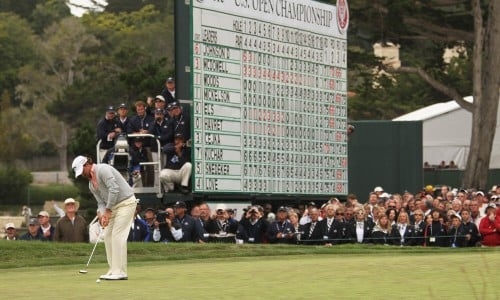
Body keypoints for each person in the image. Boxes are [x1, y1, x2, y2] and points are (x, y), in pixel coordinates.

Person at [72, 155, 138, 280]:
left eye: (82, 171)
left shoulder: (103, 169)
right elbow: (101, 202)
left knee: (118, 235)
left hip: (126, 203)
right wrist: (103, 215)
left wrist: (107, 211)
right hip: (112, 207)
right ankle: (113, 269)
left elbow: (114, 189)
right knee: (107, 235)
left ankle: (120, 272)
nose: (82, 175)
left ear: (87, 164)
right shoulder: (91, 185)